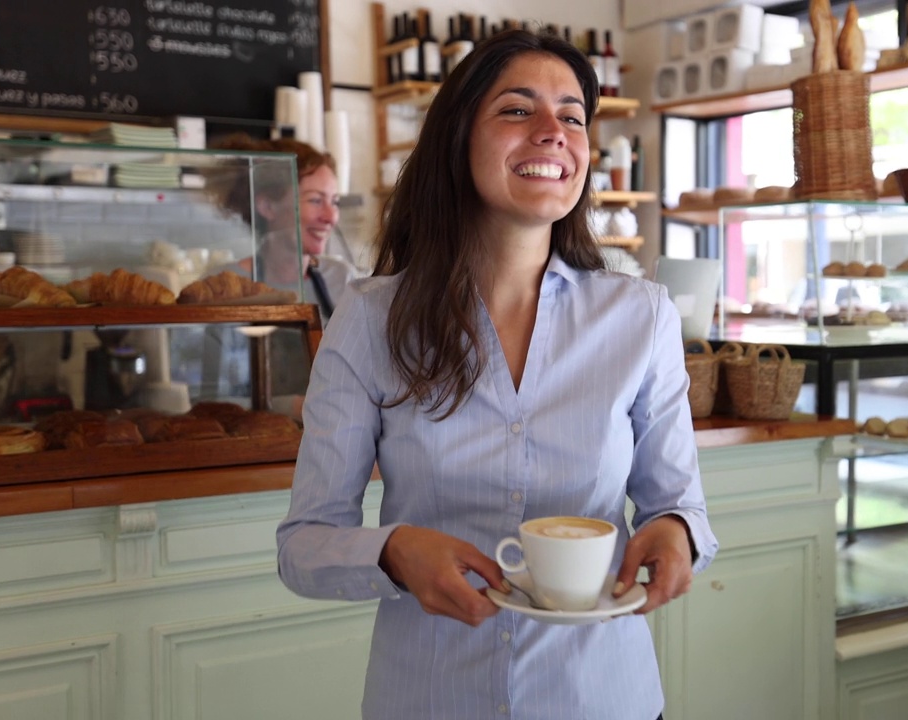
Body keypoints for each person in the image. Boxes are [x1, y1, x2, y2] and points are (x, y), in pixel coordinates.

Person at [276, 28, 717, 720]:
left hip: (601, 698)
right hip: (430, 697)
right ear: (458, 138)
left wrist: (676, 534)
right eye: (518, 110)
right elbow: (303, 546)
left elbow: (679, 504)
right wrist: (392, 553)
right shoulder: (369, 320)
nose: (553, 132)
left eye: (573, 116)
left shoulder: (641, 317)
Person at [214, 134, 363, 323]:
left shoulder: (341, 279)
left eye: (335, 202)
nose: (331, 217)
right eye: (315, 200)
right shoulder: (223, 287)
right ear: (267, 207)